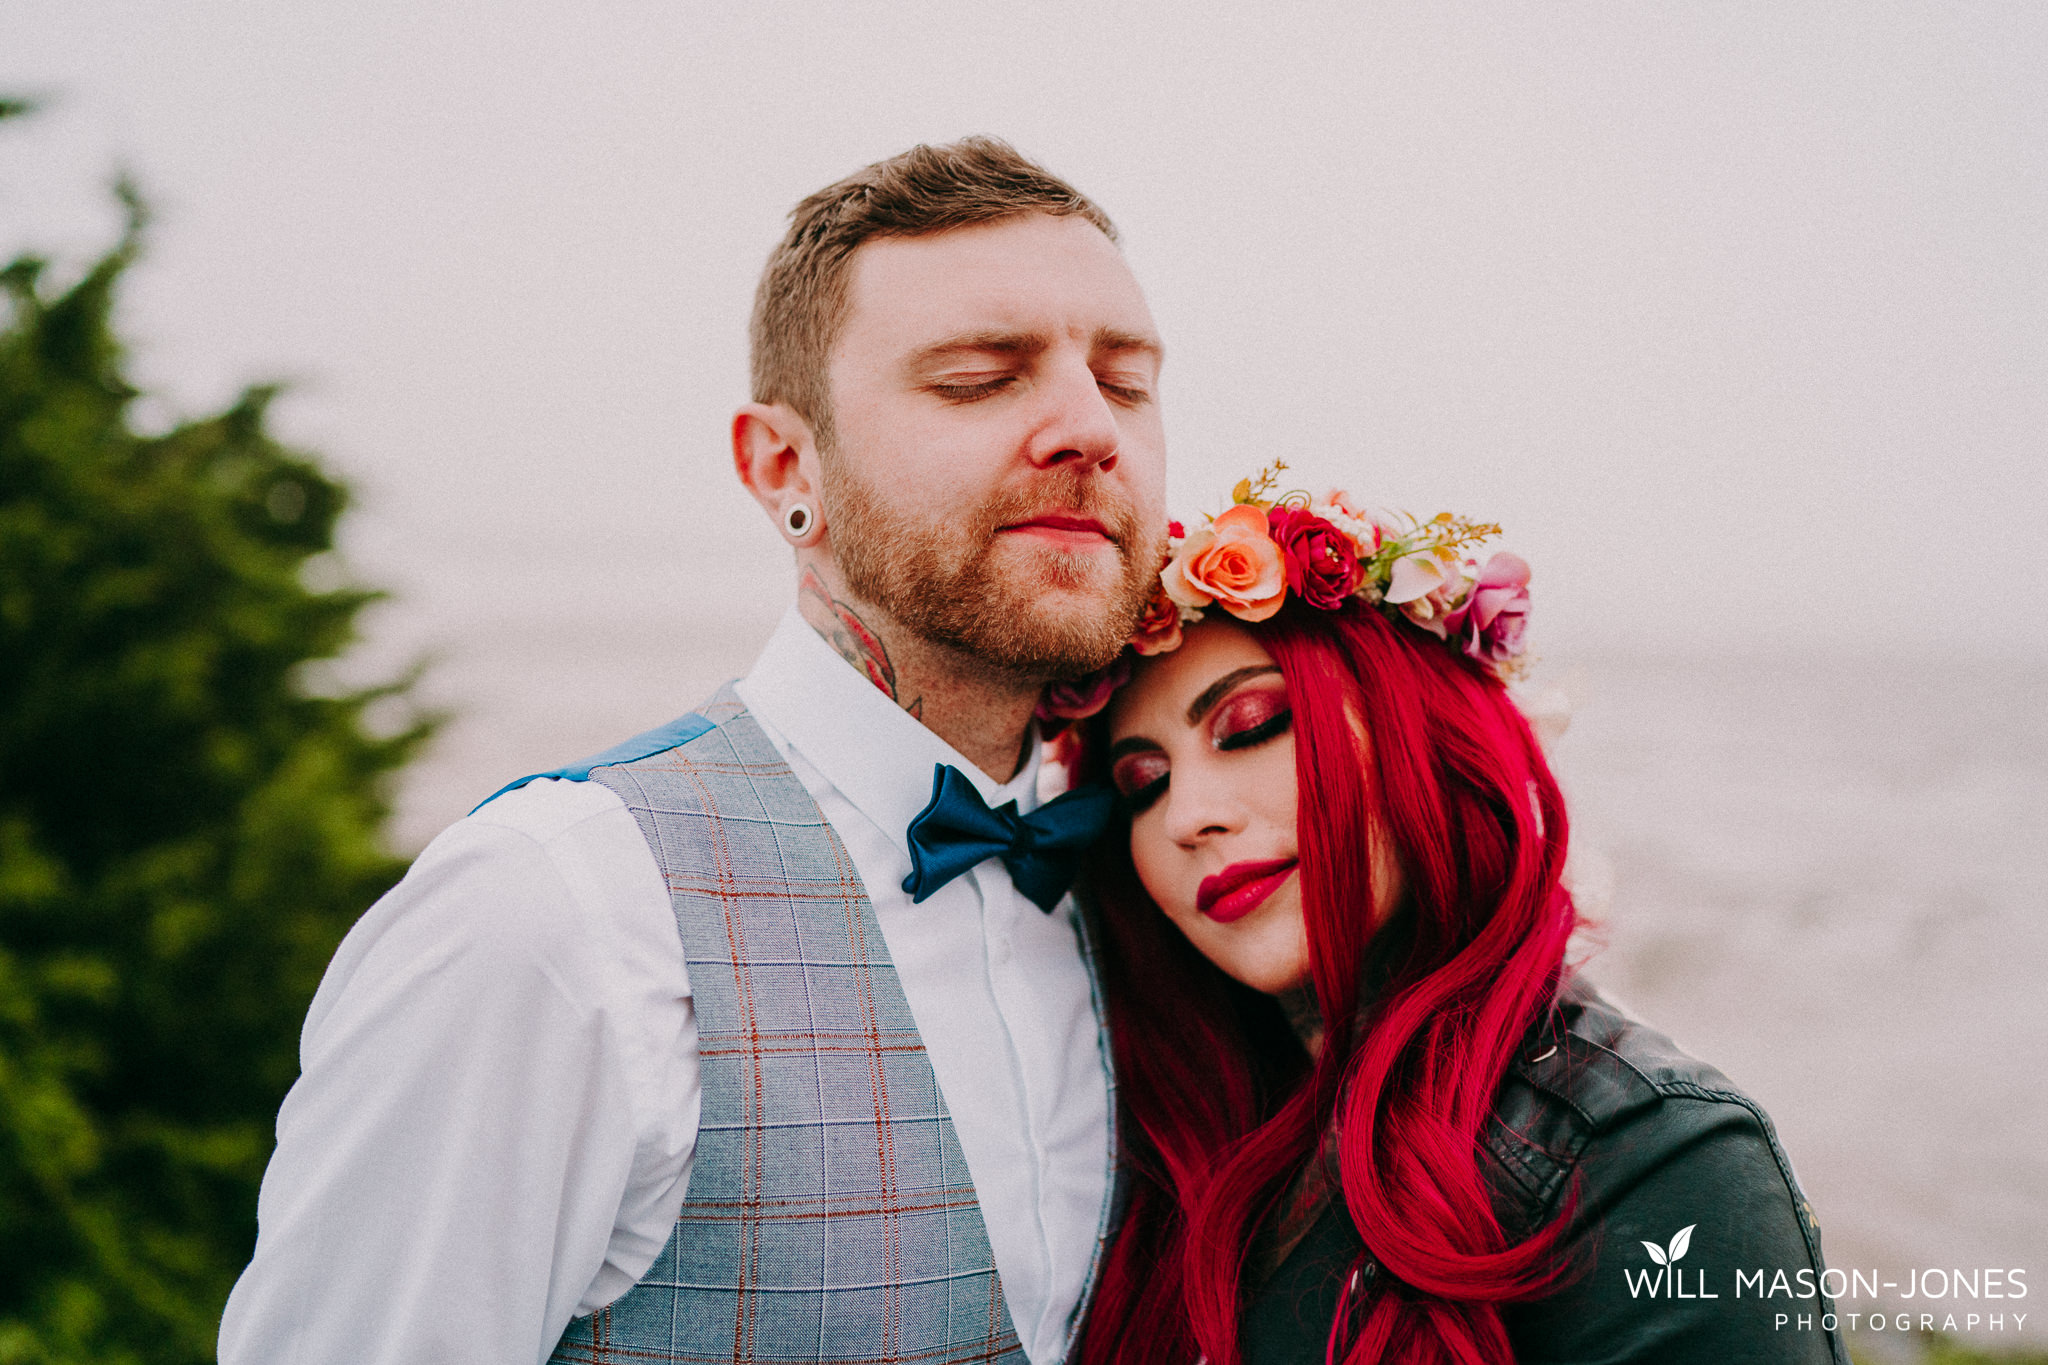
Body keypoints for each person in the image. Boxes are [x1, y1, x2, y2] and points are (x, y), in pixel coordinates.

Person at [219, 137, 1167, 1365]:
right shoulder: (552, 915)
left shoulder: (1163, 887)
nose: (1088, 430)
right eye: (981, 378)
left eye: (1128, 382)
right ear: (784, 465)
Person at [1067, 473, 1849, 1364]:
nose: (1185, 815)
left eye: (1250, 724)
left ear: (1419, 731)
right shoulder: (1159, 1138)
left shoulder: (1659, 1156)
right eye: (1142, 782)